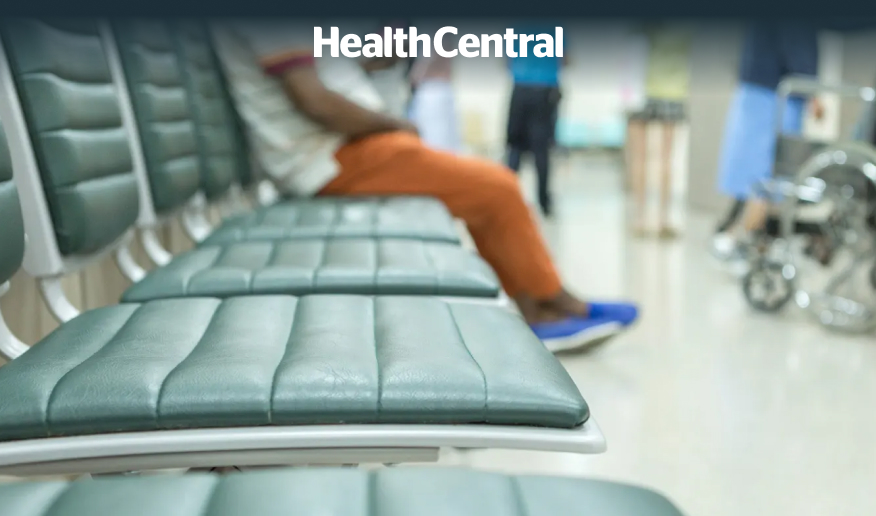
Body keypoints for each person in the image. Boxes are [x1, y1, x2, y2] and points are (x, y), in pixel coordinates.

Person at [210, 20, 639, 349]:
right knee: (496, 187)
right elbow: (315, 101)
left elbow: (336, 71)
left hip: (344, 149)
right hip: (333, 157)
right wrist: (396, 125)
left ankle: (540, 303)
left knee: (485, 192)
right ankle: (551, 304)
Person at [712, 22, 825, 268]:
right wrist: (812, 91)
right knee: (766, 176)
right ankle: (748, 246)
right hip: (773, 92)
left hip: (758, 84)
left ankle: (740, 239)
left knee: (755, 173)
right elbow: (796, 36)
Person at [625, 24, 691, 238]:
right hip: (673, 89)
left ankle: (640, 217)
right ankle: (663, 219)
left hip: (638, 89)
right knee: (666, 159)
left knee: (639, 158)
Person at [505, 24, 566, 217]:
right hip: (545, 90)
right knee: (542, 150)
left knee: (515, 147)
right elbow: (565, 58)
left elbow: (506, 59)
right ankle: (544, 202)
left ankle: (504, 196)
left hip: (521, 88)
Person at [407, 31, 461, 152]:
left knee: (434, 140)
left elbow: (430, 55)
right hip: (439, 89)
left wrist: (415, 74)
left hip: (432, 90)